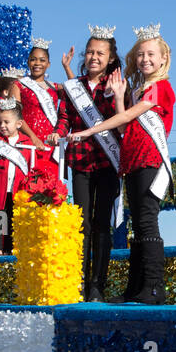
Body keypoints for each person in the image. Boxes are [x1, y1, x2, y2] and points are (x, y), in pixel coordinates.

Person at [69, 25, 174, 304]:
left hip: (151, 159)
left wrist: (89, 131)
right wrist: (118, 97)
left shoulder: (161, 88)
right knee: (137, 225)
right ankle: (136, 288)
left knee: (147, 222)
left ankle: (154, 287)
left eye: (151, 54)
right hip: (133, 160)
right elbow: (125, 123)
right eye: (140, 55)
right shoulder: (141, 89)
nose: (145, 59)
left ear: (164, 58)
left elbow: (126, 118)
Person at [60, 28, 124, 301]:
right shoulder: (74, 87)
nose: (94, 57)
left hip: (107, 162)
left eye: (100, 53)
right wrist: (58, 131)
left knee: (101, 223)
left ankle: (98, 285)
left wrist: (116, 96)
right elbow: (65, 116)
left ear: (110, 58)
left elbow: (122, 121)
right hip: (81, 161)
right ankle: (80, 282)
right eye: (90, 52)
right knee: (82, 222)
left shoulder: (118, 83)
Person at [0, 99, 34, 255]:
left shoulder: (27, 142)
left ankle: (10, 250)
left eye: (6, 122)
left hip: (17, 190)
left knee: (12, 220)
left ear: (18, 124)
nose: (2, 125)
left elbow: (30, 167)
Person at [13, 39, 69, 180]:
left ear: (48, 64)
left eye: (42, 60)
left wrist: (67, 67)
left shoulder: (55, 87)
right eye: (33, 59)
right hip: (28, 142)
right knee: (28, 187)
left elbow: (76, 91)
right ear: (28, 62)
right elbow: (16, 116)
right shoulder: (19, 84)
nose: (37, 63)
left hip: (50, 144)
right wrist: (33, 138)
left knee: (50, 188)